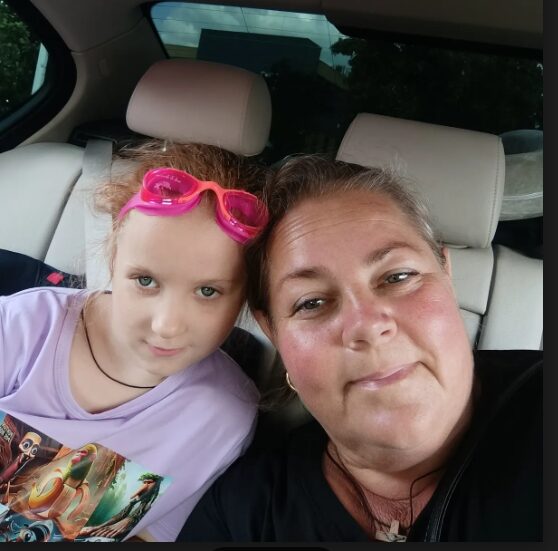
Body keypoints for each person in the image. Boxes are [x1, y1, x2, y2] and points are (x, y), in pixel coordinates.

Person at [178, 155, 542, 542]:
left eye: (398, 276)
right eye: (311, 303)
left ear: (446, 275)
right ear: (273, 331)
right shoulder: (241, 514)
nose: (366, 325)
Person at [0, 142, 269, 541]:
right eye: (146, 280)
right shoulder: (22, 328)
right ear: (113, 257)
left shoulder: (222, 416)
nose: (166, 326)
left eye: (208, 291)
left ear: (244, 298)